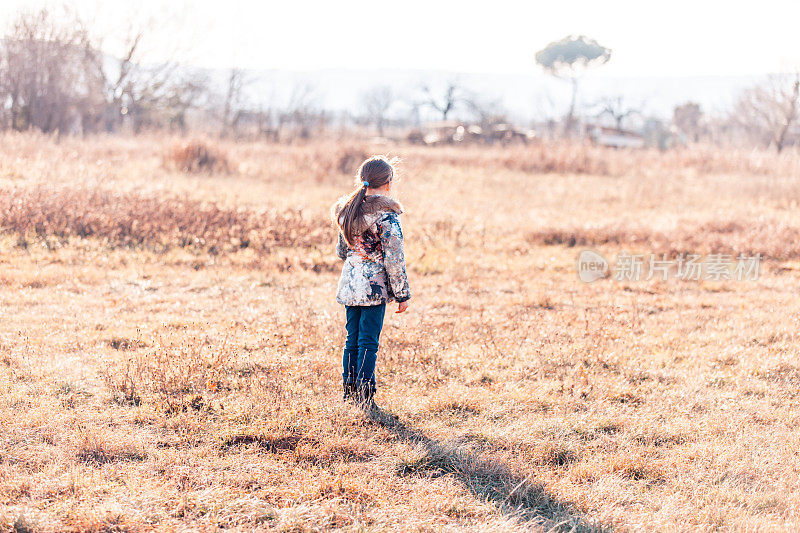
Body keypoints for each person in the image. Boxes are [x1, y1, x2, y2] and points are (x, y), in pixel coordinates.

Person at [331, 156, 411, 408]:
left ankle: (349, 392)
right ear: (388, 184)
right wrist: (402, 294)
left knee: (351, 339)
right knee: (368, 342)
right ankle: (365, 396)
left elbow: (342, 252)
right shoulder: (387, 216)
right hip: (374, 289)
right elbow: (394, 258)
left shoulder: (348, 211)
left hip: (350, 285)